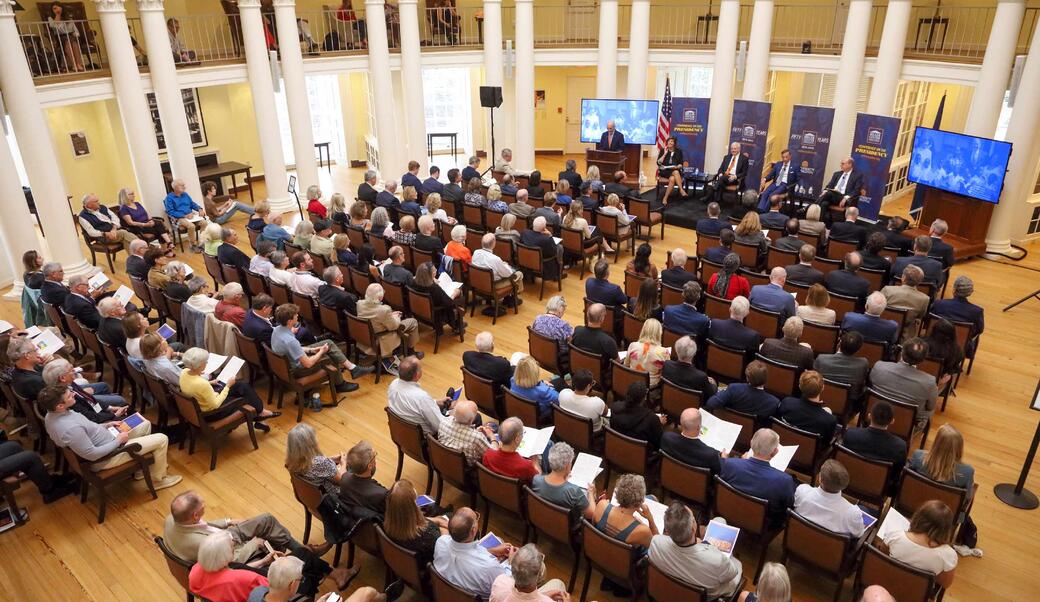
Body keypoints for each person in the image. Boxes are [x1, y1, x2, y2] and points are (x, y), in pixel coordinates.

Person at [41, 384, 182, 489]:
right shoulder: (70, 429)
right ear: (60, 406)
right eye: (69, 396)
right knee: (162, 439)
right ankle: (159, 480)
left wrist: (107, 425)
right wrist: (118, 441)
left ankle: (140, 470)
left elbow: (88, 429)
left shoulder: (51, 415)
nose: (73, 394)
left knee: (144, 424)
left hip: (109, 438)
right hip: (108, 456)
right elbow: (92, 454)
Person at [649, 503, 743, 600]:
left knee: (719, 521)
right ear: (694, 528)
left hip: (672, 588)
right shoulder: (717, 560)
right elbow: (732, 573)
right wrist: (717, 552)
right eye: (694, 519)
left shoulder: (656, 542)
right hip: (708, 595)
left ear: (667, 531)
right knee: (738, 565)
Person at [271, 303, 360, 395]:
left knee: (328, 343)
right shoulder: (290, 341)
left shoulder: (276, 330)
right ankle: (340, 385)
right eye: (295, 315)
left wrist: (312, 350)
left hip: (286, 365)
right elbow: (308, 364)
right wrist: (321, 351)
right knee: (330, 356)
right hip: (298, 370)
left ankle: (353, 368)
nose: (297, 315)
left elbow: (293, 349)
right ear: (289, 321)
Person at [179, 346, 277, 428]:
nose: (207, 363)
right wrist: (227, 386)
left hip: (202, 403)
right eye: (205, 362)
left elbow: (194, 386)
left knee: (241, 386)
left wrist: (210, 382)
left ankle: (260, 413)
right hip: (213, 412)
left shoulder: (184, 373)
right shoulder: (201, 384)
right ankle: (261, 414)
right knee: (243, 397)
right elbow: (215, 405)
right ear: (200, 365)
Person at [719, 428, 795, 530]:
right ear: (775, 452)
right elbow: (788, 506)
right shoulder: (785, 480)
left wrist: (732, 460)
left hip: (729, 510)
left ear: (751, 443)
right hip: (762, 525)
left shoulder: (729, 463)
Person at [433, 508, 515, 598]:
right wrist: (511, 562)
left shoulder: (441, 542)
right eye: (477, 519)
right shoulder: (488, 567)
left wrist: (491, 551)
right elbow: (507, 585)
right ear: (473, 530)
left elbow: (464, 555)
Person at [880, 500, 958, 588]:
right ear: (946, 529)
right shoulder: (948, 555)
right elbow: (945, 584)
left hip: (888, 584)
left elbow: (883, 556)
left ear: (919, 517)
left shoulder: (895, 535)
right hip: (918, 595)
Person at [869, 338, 938, 426]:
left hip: (875, 415)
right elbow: (930, 406)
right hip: (904, 424)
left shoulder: (879, 366)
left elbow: (870, 383)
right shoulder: (930, 382)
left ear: (902, 352)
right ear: (922, 360)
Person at [189, 532, 270, 602]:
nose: (234, 549)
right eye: (232, 548)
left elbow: (236, 570)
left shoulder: (195, 570)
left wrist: (263, 561)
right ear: (225, 555)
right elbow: (274, 589)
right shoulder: (244, 579)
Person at [384, 479, 449, 564]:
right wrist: (444, 529)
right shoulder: (427, 534)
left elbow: (424, 521)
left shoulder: (389, 524)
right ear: (412, 507)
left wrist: (436, 520)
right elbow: (443, 546)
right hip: (432, 561)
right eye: (416, 499)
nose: (418, 500)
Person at [841, 400, 908, 478]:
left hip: (849, 478)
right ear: (892, 421)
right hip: (880, 487)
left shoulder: (850, 434)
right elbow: (896, 473)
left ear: (869, 416)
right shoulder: (899, 447)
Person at [387, 356, 452, 435]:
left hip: (404, 434)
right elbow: (440, 427)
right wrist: (453, 414)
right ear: (417, 375)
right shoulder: (421, 398)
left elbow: (413, 407)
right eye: (420, 368)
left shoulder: (393, 384)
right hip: (426, 440)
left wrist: (434, 402)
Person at [531, 442, 596, 520]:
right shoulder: (574, 491)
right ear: (567, 466)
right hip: (568, 528)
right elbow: (592, 514)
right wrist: (591, 493)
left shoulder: (536, 480)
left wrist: (564, 479)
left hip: (544, 520)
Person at [357, 283, 421, 362]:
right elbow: (394, 326)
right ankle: (411, 352)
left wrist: (390, 315)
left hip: (366, 337)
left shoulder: (360, 304)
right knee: (413, 322)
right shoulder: (384, 310)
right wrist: (397, 317)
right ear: (380, 297)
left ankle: (407, 349)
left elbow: (375, 317)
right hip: (382, 339)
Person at [592, 473, 657, 549]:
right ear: (640, 502)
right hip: (625, 559)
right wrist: (650, 519)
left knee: (652, 497)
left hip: (599, 548)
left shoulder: (601, 505)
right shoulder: (643, 531)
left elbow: (594, 526)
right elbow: (656, 549)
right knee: (653, 498)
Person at [908, 424, 975, 497]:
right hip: (942, 508)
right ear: (959, 448)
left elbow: (906, 481)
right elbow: (966, 499)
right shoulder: (967, 472)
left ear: (936, 443)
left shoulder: (918, 456)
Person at [704, 360, 780, 423]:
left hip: (730, 425)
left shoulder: (734, 389)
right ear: (766, 379)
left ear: (747, 378)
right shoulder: (773, 403)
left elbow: (711, 403)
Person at [490, 544, 569, 602]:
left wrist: (543, 595)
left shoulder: (500, 581)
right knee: (558, 583)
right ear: (539, 574)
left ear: (512, 568)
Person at [931, 276, 984, 357]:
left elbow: (929, 320)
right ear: (970, 292)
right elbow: (979, 330)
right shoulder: (976, 311)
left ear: (954, 290)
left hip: (936, 340)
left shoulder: (939, 304)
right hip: (960, 347)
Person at [660, 408, 723, 475]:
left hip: (673, 475)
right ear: (698, 427)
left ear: (680, 423)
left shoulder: (666, 437)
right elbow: (718, 473)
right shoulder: (711, 455)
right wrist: (723, 460)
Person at [778, 370, 837, 441]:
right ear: (822, 388)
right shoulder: (829, 420)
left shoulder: (787, 403)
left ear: (800, 386)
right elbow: (826, 443)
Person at [437, 399, 496, 465]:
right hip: (468, 469)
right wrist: (492, 437)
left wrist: (475, 431)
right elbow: (494, 456)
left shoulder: (443, 422)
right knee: (494, 427)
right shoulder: (477, 438)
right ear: (472, 420)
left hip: (445, 460)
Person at [814, 331, 870, 399]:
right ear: (858, 350)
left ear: (839, 343)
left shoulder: (821, 359)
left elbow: (813, 380)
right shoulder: (863, 364)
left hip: (820, 397)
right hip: (847, 404)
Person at [338, 440, 389, 515]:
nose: (376, 459)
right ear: (370, 466)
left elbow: (343, 472)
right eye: (375, 455)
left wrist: (343, 462)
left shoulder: (344, 478)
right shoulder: (381, 494)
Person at [483, 417, 541, 481]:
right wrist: (535, 461)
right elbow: (538, 480)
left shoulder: (488, 454)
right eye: (522, 433)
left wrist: (492, 438)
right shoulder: (526, 466)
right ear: (517, 439)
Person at [610, 381, 665, 449]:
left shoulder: (615, 407)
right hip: (641, 454)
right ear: (644, 398)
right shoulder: (651, 419)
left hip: (618, 447)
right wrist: (658, 423)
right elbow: (659, 443)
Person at [882, 264, 930, 340]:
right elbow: (920, 317)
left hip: (883, 329)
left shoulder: (887, 290)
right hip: (905, 338)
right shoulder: (924, 299)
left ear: (903, 278)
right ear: (919, 282)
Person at [412, 261, 463, 330]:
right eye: (434, 270)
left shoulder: (414, 283)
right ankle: (457, 324)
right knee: (459, 295)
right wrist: (455, 294)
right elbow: (448, 303)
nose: (436, 271)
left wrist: (432, 280)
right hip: (436, 314)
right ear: (430, 274)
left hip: (420, 311)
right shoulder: (434, 288)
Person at [511, 355, 559, 421]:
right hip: (540, 416)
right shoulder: (544, 392)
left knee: (558, 382)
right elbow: (558, 398)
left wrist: (541, 382)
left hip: (521, 411)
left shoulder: (512, 380)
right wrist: (544, 386)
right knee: (560, 384)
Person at [164, 178, 207, 252]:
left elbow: (192, 204)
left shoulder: (185, 194)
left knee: (204, 223)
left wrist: (199, 209)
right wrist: (184, 216)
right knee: (191, 226)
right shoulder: (169, 198)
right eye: (182, 185)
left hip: (191, 216)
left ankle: (202, 243)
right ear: (175, 187)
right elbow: (170, 211)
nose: (184, 187)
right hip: (180, 218)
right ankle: (193, 245)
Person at [625, 319, 670, 389]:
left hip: (632, 383)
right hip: (651, 387)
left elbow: (626, 365)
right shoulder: (664, 352)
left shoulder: (633, 345)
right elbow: (665, 374)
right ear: (659, 333)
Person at [923, 318, 964, 386]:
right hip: (937, 383)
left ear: (934, 330)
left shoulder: (922, 344)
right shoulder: (957, 351)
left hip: (917, 378)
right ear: (952, 334)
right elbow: (953, 369)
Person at [520, 217, 562, 281]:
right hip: (542, 264)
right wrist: (550, 235)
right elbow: (553, 252)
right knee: (559, 248)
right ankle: (558, 273)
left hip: (526, 261)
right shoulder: (546, 239)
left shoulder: (524, 232)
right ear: (544, 228)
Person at [48, 2, 85, 71]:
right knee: (67, 41)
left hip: (71, 36)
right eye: (54, 8)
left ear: (61, 8)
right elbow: (54, 27)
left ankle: (78, 64)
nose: (56, 9)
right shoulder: (51, 18)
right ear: (52, 10)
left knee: (73, 42)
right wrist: (58, 15)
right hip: (60, 37)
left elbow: (74, 28)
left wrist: (75, 34)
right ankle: (74, 64)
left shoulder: (68, 17)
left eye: (58, 7)